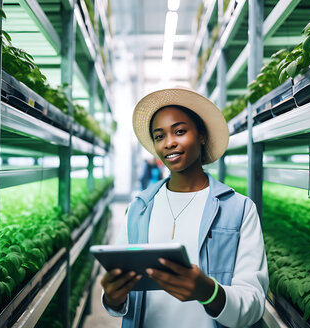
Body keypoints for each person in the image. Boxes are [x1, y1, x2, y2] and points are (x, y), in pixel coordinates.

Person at [100, 87, 269, 328]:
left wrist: (209, 292)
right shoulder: (138, 209)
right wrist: (113, 297)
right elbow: (120, 295)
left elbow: (253, 304)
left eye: (179, 131)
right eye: (159, 136)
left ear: (201, 135)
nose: (169, 143)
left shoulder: (240, 210)